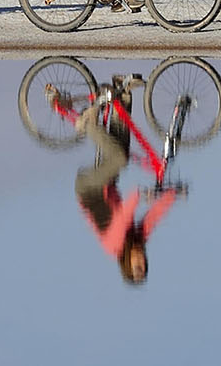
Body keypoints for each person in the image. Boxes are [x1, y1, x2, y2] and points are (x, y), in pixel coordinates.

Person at [72, 74, 176, 284]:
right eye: (144, 265)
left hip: (89, 188)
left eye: (137, 266)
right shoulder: (138, 239)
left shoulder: (113, 246)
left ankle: (87, 125)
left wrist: (138, 195)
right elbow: (152, 217)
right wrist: (172, 194)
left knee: (119, 159)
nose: (141, 260)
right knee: (122, 150)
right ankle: (122, 94)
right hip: (106, 185)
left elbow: (121, 218)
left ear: (126, 264)